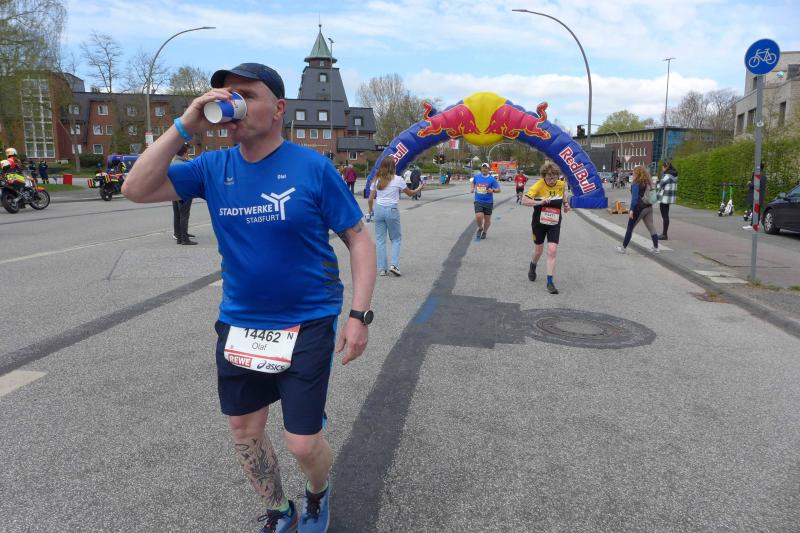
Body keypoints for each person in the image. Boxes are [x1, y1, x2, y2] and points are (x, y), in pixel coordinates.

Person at [122, 62, 376, 533]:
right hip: (240, 324)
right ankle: (280, 509)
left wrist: (359, 316)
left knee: (302, 444)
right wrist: (186, 123)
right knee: (245, 433)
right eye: (224, 95)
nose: (230, 103)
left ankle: (318, 492)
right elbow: (134, 188)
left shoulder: (313, 167)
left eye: (244, 95)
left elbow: (359, 239)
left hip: (307, 321)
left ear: (278, 109)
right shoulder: (212, 168)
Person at [367, 158, 423, 277]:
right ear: (393, 167)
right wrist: (419, 188)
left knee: (380, 240)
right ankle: (394, 265)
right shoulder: (398, 179)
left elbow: (370, 199)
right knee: (396, 239)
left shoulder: (376, 179)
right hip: (392, 210)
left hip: (379, 210)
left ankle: (382, 269)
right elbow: (410, 193)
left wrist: (370, 210)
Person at [522, 161, 569, 294]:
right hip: (539, 222)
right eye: (549, 177)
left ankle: (550, 282)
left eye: (554, 177)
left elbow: (563, 194)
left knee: (552, 250)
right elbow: (524, 200)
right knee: (538, 251)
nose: (552, 180)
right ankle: (533, 265)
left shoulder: (561, 184)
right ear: (544, 176)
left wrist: (566, 204)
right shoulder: (539, 185)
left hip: (554, 222)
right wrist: (540, 202)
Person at [615, 166, 660, 254]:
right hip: (649, 207)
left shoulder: (636, 183)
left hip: (639, 208)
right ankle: (656, 248)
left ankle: (623, 248)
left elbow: (634, 199)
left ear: (637, 173)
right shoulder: (648, 182)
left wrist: (631, 210)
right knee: (651, 227)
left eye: (634, 172)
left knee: (630, 228)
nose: (633, 174)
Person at [171, 144, 196, 245]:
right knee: (184, 215)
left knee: (177, 215)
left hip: (173, 192)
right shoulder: (184, 165)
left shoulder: (172, 163)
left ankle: (179, 236)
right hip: (184, 193)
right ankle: (184, 239)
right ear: (185, 153)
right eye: (187, 152)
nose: (188, 154)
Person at [471, 162, 501, 239]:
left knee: (487, 219)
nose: (484, 169)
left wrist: (493, 190)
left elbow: (498, 190)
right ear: (481, 169)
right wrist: (472, 188)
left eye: (486, 168)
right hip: (478, 200)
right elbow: (473, 182)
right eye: (483, 168)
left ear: (488, 169)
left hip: (488, 202)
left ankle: (484, 231)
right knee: (478, 216)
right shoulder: (477, 177)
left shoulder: (492, 179)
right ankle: (480, 228)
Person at [656, 161, 678, 240]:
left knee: (664, 216)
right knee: (666, 215)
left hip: (664, 198)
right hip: (669, 198)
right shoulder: (674, 176)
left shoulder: (667, 176)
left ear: (666, 167)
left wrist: (657, 182)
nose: (662, 169)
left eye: (662, 167)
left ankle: (664, 234)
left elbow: (659, 185)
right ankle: (664, 234)